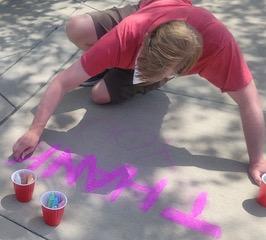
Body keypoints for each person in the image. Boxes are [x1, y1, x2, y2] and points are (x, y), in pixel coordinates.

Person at [12, 0, 266, 185]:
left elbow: (250, 103)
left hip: (175, 38)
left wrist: (257, 159)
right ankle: (105, 65)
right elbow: (61, 82)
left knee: (100, 95)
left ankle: (125, 74)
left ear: (184, 69)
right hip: (147, 12)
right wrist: (35, 130)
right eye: (140, 64)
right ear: (144, 42)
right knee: (77, 27)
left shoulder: (220, 47)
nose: (138, 70)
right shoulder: (128, 34)